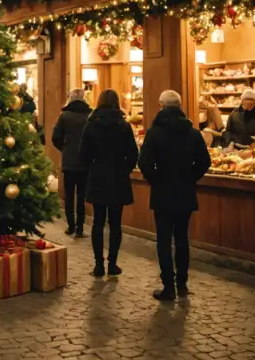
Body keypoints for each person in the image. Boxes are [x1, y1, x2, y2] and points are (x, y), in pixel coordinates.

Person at [139, 90, 211, 301]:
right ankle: (183, 284)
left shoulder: (155, 132)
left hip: (162, 192)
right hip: (185, 192)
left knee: (163, 240)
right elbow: (204, 162)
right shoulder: (192, 132)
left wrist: (155, 178)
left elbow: (143, 162)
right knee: (182, 239)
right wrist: (191, 177)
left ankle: (168, 286)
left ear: (161, 106)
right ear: (180, 106)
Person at [79, 88, 139, 277]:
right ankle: (112, 263)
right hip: (118, 177)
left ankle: (98, 265)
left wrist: (92, 168)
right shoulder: (123, 125)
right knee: (115, 223)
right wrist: (124, 169)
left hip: (97, 176)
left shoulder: (91, 125)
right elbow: (133, 154)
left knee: (97, 222)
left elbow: (83, 155)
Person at [51, 88, 92, 238]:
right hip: (85, 162)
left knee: (69, 195)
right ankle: (80, 227)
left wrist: (65, 149)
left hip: (69, 162)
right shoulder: (89, 116)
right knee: (82, 195)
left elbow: (55, 137)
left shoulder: (64, 116)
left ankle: (70, 225)